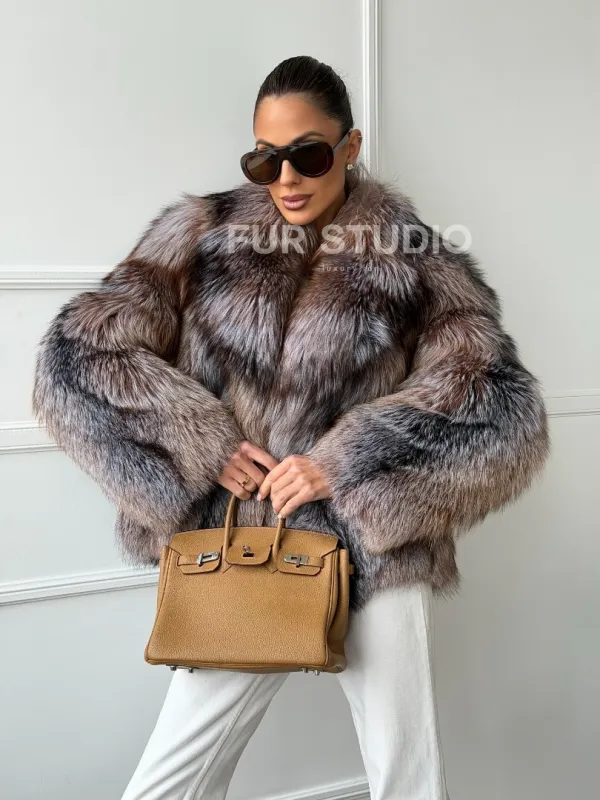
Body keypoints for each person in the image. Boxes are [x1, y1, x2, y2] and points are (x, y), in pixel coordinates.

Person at [31, 55, 550, 800]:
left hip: (372, 548)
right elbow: (79, 353)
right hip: (242, 542)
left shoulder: (416, 260)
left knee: (405, 776)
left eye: (307, 155)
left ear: (349, 145)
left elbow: (496, 400)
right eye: (264, 159)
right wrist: (199, 441)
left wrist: (344, 462)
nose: (286, 179)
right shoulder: (200, 234)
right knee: (171, 779)